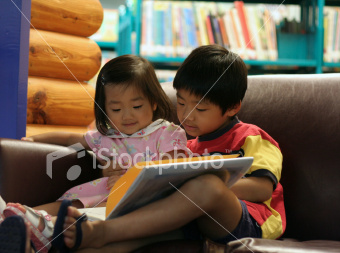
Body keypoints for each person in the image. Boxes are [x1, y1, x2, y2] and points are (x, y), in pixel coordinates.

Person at [58, 44, 285, 252]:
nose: (187, 115)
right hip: (192, 220)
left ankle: (105, 231)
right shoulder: (184, 146)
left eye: (201, 109)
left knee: (208, 185)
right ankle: (83, 239)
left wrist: (189, 185)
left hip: (248, 221)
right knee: (136, 235)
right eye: (182, 103)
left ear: (233, 107)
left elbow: (262, 189)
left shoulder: (251, 137)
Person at [0, 55, 191, 252]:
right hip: (97, 194)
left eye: (136, 106)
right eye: (116, 109)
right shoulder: (108, 135)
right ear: (105, 110)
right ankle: (15, 218)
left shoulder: (167, 133)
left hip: (133, 202)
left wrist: (130, 178)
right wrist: (33, 140)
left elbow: (170, 168)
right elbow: (70, 139)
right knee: (69, 203)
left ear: (153, 102)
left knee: (73, 213)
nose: (127, 116)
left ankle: (32, 226)